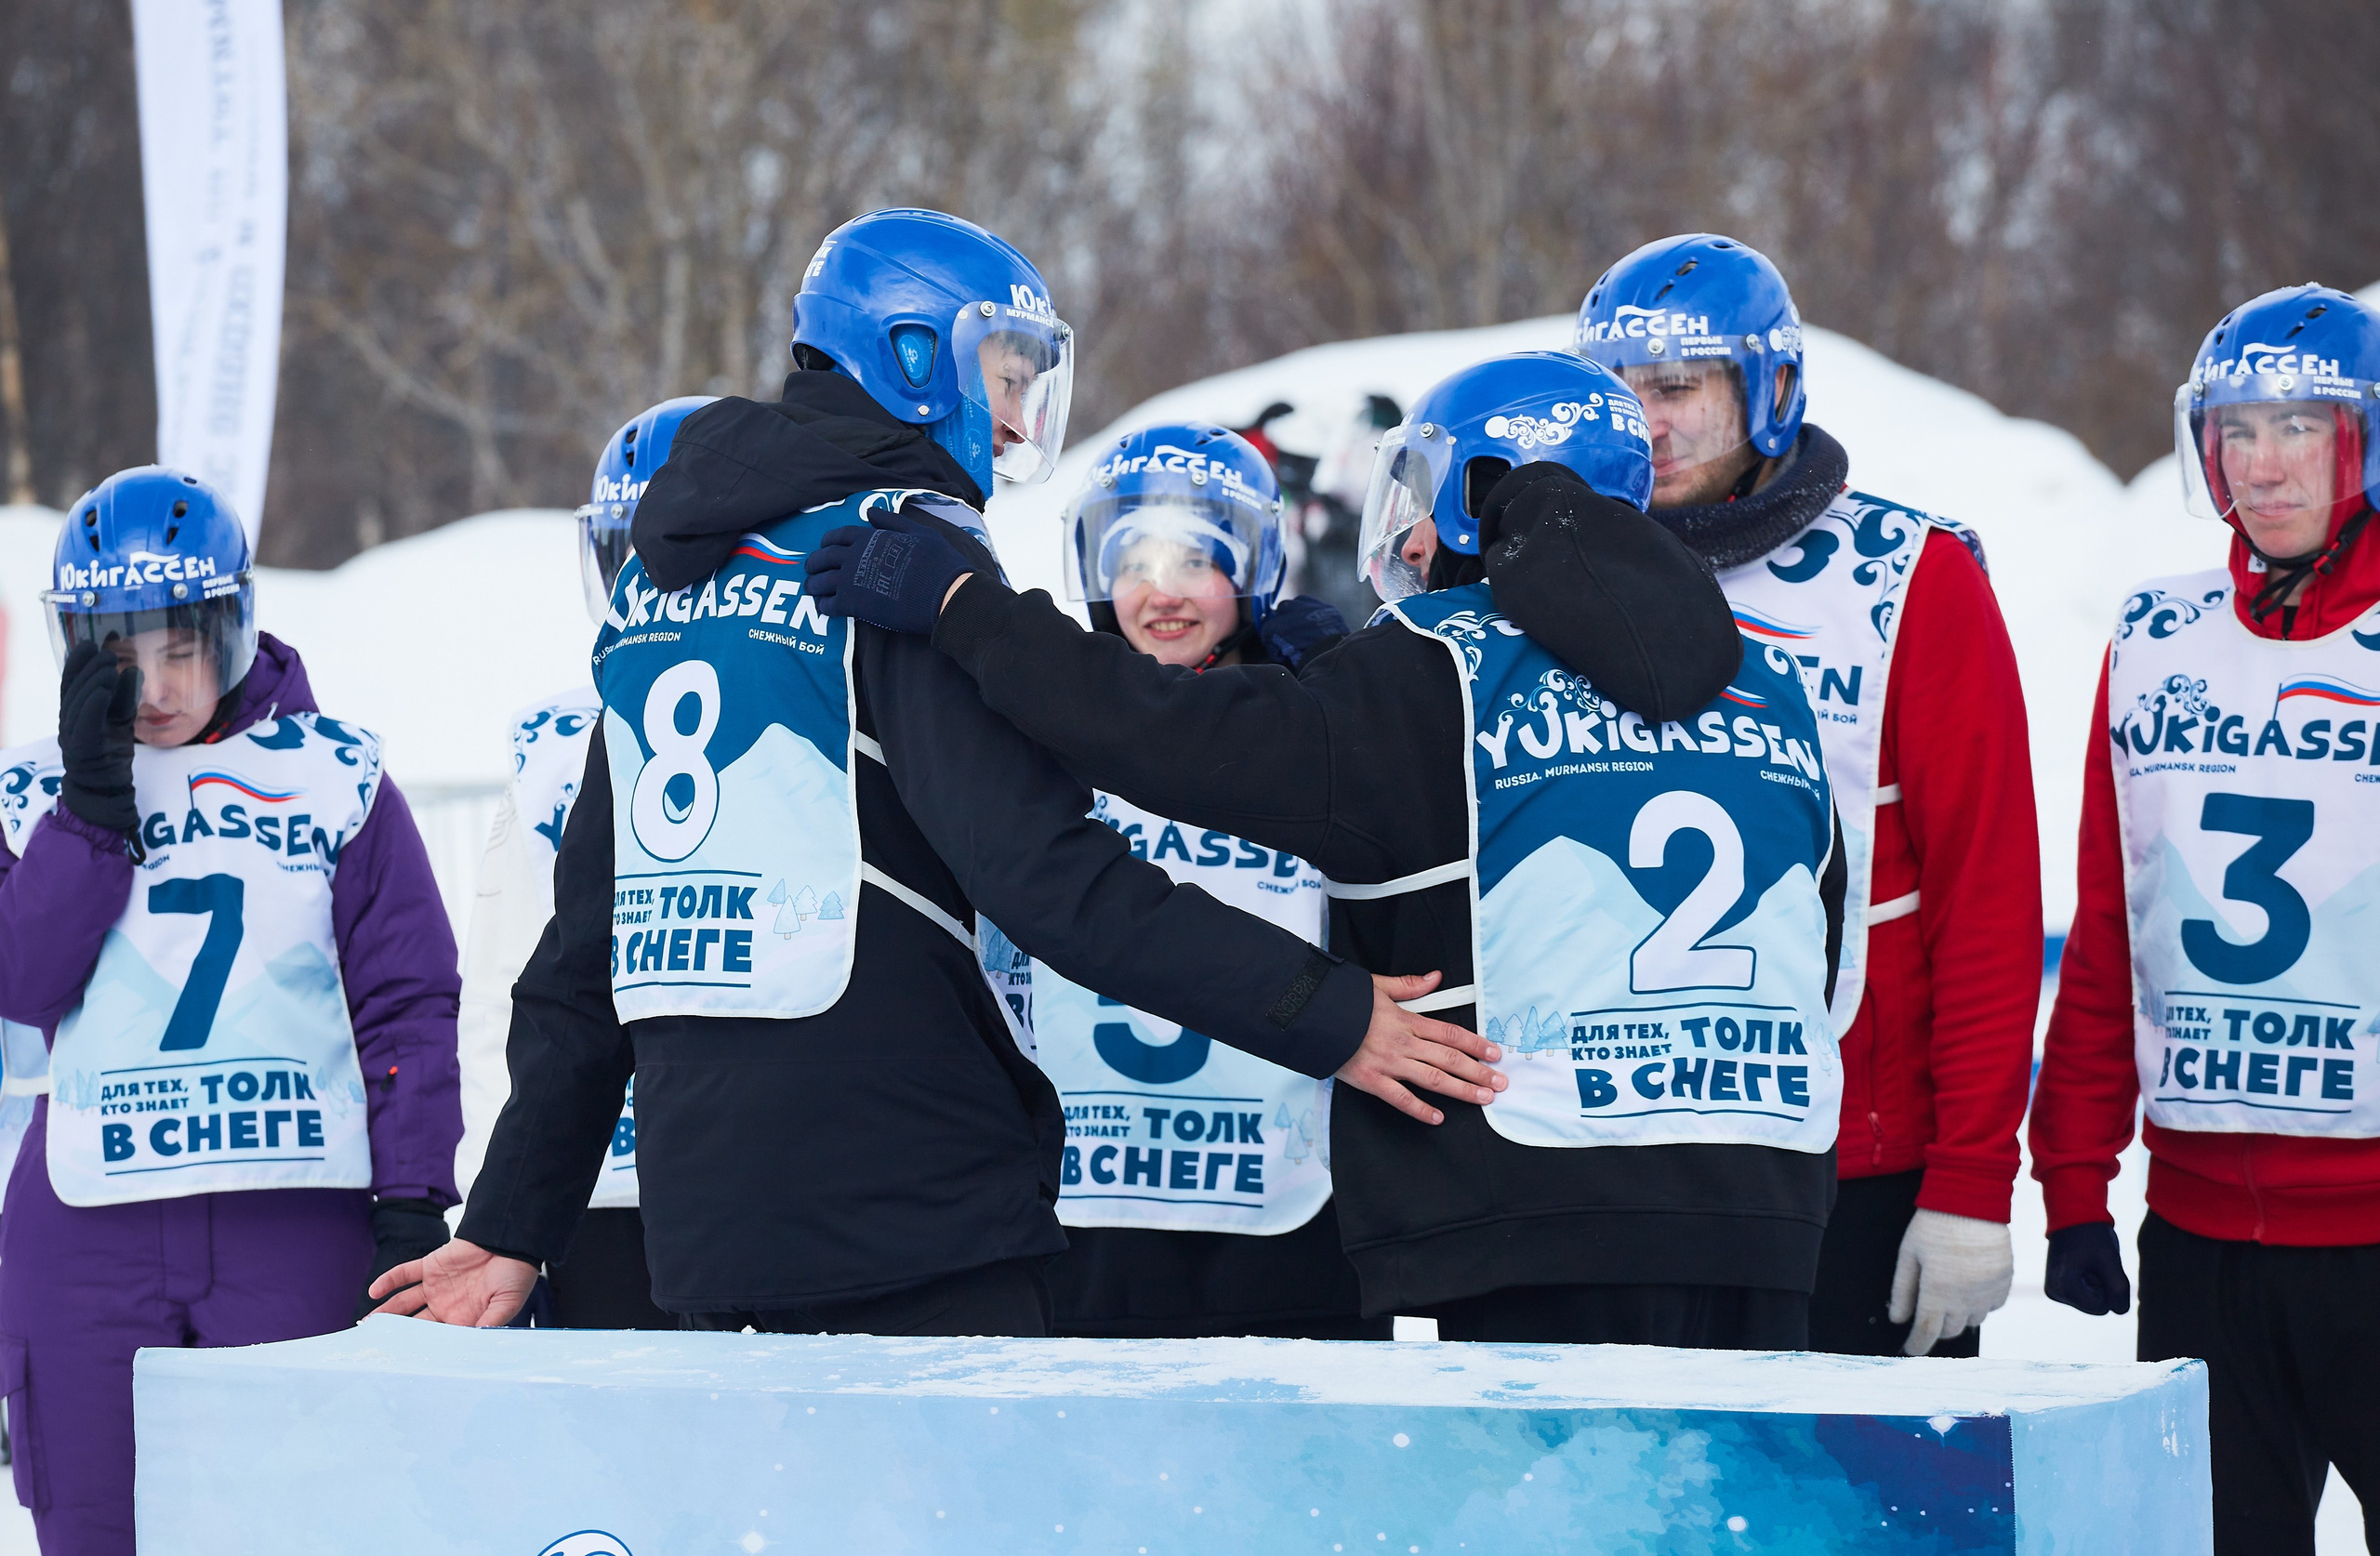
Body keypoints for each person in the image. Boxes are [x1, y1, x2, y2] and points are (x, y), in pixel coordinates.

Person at [371, 207, 1497, 1338]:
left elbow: (586, 950)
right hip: (908, 1200)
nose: (1014, 426)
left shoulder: (664, 585)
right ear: (913, 358)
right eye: (1005, 379)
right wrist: (1324, 1011)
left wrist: (514, 1220)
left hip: (706, 1222)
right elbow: (1049, 878)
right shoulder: (889, 548)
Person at [810, 349, 1857, 1351]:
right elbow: (1818, 929)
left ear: (1479, 495)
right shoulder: (1770, 684)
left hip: (1537, 1206)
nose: (1412, 545)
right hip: (1768, 1207)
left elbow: (1160, 734)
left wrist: (963, 608)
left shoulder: (1433, 669)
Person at [1572, 233, 2039, 1359]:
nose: (1646, 424)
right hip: (1610, 1160)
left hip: (1847, 1167)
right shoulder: (1555, 574)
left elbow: (1985, 896)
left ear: (1767, 390)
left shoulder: (1908, 575)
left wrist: (1971, 1182)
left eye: (1678, 388)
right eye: (1618, 393)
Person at [0, 468, 461, 1555]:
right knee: (96, 1524)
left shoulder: (335, 773)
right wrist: (90, 813)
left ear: (233, 627)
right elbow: (23, 982)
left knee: (301, 1522)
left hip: (289, 1208)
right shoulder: (30, 794)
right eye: (121, 655)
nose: (155, 686)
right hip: (92, 1217)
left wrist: (410, 1195)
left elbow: (405, 998)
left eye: (180, 648)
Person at [2030, 282, 2380, 1554]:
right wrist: (2074, 1177)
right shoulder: (2156, 634)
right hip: (2199, 1237)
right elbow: (2111, 926)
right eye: (2236, 429)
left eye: (2299, 427)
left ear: (2363, 440)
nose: (2262, 463)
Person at [1038, 420, 1381, 1339]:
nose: (1163, 593)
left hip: (1281, 1211)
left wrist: (1349, 683)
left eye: (1195, 561)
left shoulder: (1305, 730)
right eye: (1133, 562)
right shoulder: (1044, 726)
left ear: (1253, 568)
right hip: (1082, 1218)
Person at [452, 397, 717, 1331]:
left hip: (754, 1183)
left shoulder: (813, 701)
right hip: (591, 1193)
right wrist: (495, 1212)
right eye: (630, 561)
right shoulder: (556, 745)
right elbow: (501, 997)